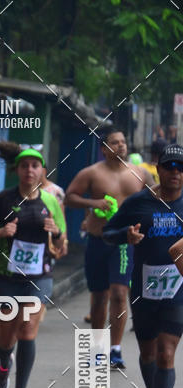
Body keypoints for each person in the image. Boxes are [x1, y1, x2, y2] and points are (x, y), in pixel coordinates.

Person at [103, 144, 183, 388]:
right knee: (148, 355)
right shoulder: (139, 202)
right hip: (144, 290)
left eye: (181, 168)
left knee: (166, 353)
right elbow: (108, 233)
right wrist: (126, 236)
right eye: (169, 166)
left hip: (178, 290)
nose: (175, 172)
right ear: (158, 169)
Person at [0, 146, 66, 388]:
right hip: (6, 278)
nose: (30, 170)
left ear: (42, 171)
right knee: (6, 338)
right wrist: (1, 231)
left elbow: (63, 247)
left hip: (39, 277)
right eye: (24, 165)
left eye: (35, 166)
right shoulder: (3, 199)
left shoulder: (52, 202)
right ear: (17, 170)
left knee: (27, 329)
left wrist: (57, 232)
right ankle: (5, 363)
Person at [65, 128, 155, 366]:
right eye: (115, 143)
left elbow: (160, 200)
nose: (121, 146)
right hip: (99, 240)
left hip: (125, 243)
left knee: (119, 293)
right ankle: (98, 347)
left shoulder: (140, 174)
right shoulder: (91, 173)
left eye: (123, 141)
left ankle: (115, 349)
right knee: (99, 297)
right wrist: (94, 202)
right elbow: (70, 197)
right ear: (104, 149)